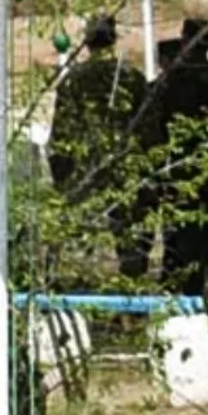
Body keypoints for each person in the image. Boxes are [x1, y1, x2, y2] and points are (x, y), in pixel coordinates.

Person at [48, 14, 151, 278]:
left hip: (86, 169)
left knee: (81, 238)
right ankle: (133, 288)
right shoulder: (132, 77)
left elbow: (62, 133)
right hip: (127, 167)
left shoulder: (73, 80)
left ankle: (80, 284)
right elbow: (149, 128)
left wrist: (60, 174)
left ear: (87, 41)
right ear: (113, 39)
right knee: (131, 238)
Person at [157, 22, 208, 307]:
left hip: (178, 167)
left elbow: (156, 126)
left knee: (184, 235)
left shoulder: (173, 81)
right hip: (207, 166)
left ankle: (190, 294)